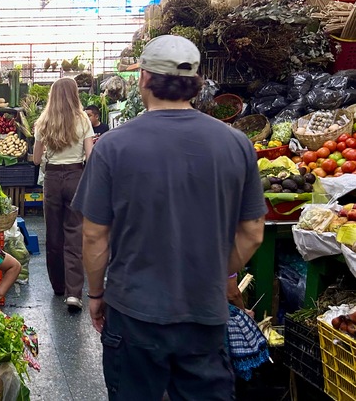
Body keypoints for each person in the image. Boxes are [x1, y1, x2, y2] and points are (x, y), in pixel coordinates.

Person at [72, 35, 266, 400]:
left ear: (144, 78)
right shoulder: (236, 143)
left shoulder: (112, 146)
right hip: (204, 315)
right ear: (196, 83)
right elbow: (253, 231)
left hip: (134, 314)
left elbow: (95, 235)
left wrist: (95, 293)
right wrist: (210, 274)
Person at [33, 77, 94, 311]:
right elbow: (90, 155)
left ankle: (58, 286)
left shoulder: (44, 121)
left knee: (53, 234)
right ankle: (74, 293)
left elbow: (37, 159)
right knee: (74, 234)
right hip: (76, 177)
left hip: (52, 179)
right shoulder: (83, 119)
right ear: (75, 94)